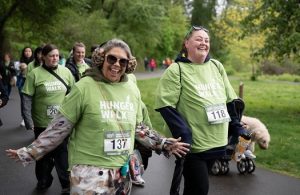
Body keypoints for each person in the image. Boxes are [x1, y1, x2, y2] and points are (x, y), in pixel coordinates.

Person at [6, 39, 190, 194]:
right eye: (112, 58)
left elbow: (138, 128)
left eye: (123, 61)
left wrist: (164, 143)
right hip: (88, 176)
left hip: (120, 175)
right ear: (101, 59)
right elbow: (58, 128)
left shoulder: (131, 89)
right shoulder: (84, 87)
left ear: (128, 65)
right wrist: (29, 152)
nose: (117, 65)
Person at [155, 26, 251, 195]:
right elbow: (165, 105)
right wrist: (185, 134)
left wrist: (236, 125)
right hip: (193, 147)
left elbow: (230, 101)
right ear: (186, 43)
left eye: (206, 40)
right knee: (200, 188)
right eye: (198, 39)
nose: (204, 43)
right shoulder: (176, 70)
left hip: (216, 143)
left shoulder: (217, 66)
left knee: (193, 189)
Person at [20, 44, 75, 193]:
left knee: (62, 154)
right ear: (43, 57)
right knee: (42, 155)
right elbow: (26, 98)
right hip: (42, 123)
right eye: (51, 55)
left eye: (57, 55)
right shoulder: (35, 74)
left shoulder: (66, 72)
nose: (55, 58)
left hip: (62, 123)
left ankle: (66, 184)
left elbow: (74, 94)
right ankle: (44, 180)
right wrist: (28, 120)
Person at [19, 46, 34, 126]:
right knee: (23, 101)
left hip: (32, 84)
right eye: (26, 51)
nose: (27, 52)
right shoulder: (20, 62)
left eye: (29, 51)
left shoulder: (35, 63)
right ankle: (24, 118)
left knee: (33, 102)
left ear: (32, 53)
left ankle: (32, 117)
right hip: (22, 84)